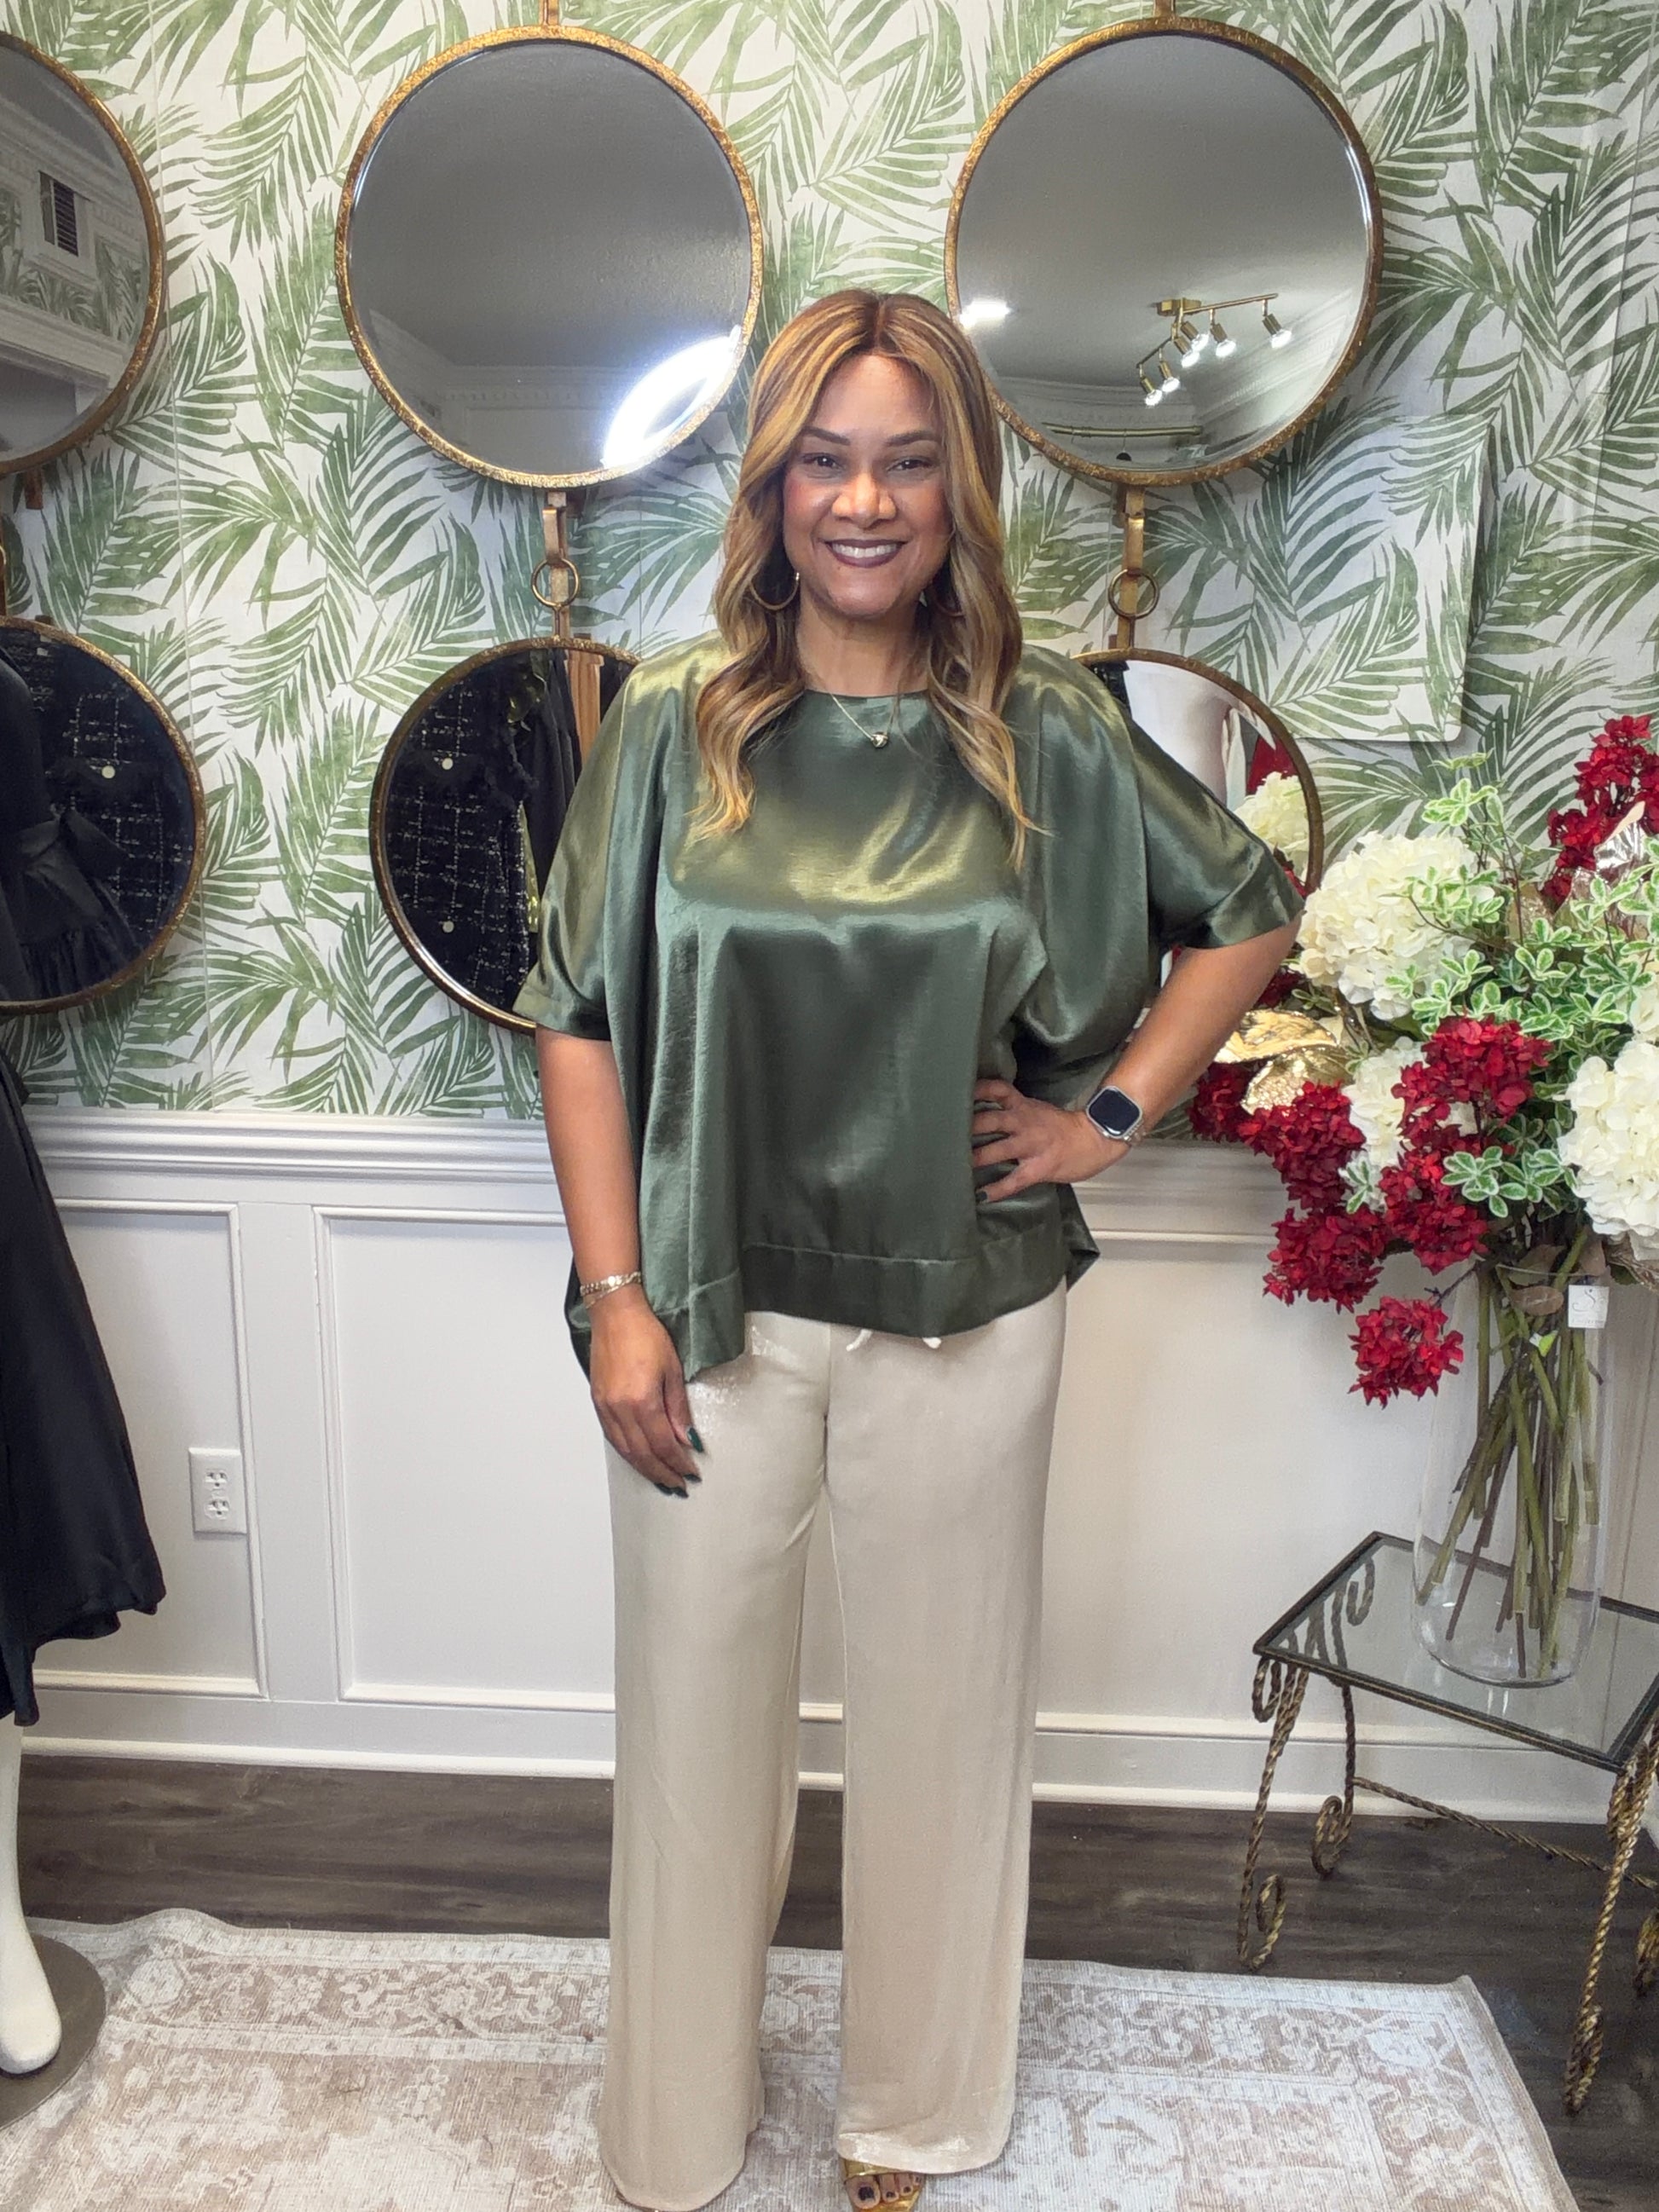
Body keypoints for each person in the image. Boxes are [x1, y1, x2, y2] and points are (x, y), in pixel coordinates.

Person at [517, 290, 1301, 2212]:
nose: (863, 501)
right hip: (702, 1303)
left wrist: (1104, 1116)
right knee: (692, 1734)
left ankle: (918, 2118)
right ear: (772, 488)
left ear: (959, 487)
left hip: (967, 1300)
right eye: (824, 460)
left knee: (945, 1725)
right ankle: (673, 2128)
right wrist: (612, 1301)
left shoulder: (1051, 732)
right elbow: (577, 1015)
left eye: (904, 460)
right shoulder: (671, 728)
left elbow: (1247, 908)